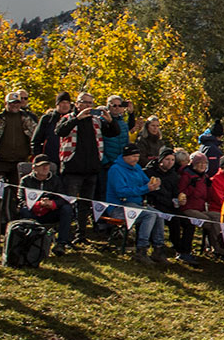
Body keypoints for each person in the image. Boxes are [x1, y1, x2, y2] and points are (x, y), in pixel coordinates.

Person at [57, 92, 118, 242]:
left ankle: (81, 235)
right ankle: (64, 236)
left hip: (91, 168)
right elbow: (60, 131)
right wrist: (77, 118)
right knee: (68, 204)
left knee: (85, 205)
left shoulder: (96, 121)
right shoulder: (68, 118)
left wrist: (110, 121)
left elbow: (114, 133)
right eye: (84, 103)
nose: (87, 106)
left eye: (90, 103)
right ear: (77, 104)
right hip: (72, 168)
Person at [104, 146, 166, 265]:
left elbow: (145, 182)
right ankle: (141, 249)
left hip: (135, 204)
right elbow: (121, 191)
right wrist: (145, 188)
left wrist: (154, 183)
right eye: (133, 156)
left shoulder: (137, 168)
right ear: (125, 156)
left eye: (137, 156)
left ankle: (158, 248)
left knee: (159, 214)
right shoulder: (115, 169)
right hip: (118, 207)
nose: (136, 159)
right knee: (149, 215)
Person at [146, 148, 196, 266]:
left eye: (172, 160)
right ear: (161, 160)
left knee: (189, 223)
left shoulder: (173, 175)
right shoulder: (150, 172)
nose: (170, 162)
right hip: (156, 204)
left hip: (170, 205)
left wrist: (180, 199)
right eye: (167, 159)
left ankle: (185, 250)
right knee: (175, 222)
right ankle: (177, 248)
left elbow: (175, 192)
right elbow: (151, 192)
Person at [19, 154, 74, 254]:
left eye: (47, 165)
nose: (45, 168)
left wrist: (53, 204)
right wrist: (38, 204)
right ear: (34, 167)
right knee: (24, 210)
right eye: (41, 165)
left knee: (67, 209)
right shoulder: (25, 180)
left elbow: (63, 198)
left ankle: (61, 243)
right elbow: (21, 199)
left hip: (50, 213)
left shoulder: (56, 180)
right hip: (32, 213)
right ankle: (28, 240)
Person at [0, 91, 35, 184]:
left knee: (17, 191)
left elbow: (36, 135)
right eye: (12, 103)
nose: (15, 105)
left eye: (17, 103)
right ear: (6, 103)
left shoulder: (27, 119)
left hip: (20, 160)